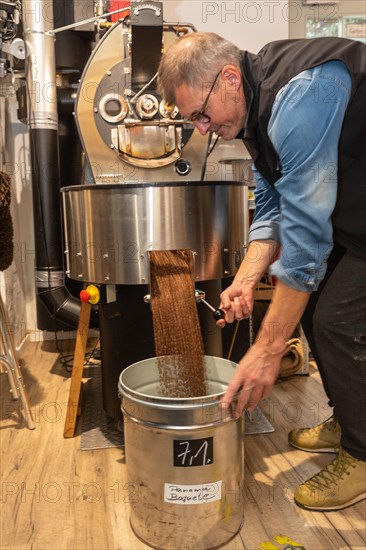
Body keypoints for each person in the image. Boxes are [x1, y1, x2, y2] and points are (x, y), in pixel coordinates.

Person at [157, 32, 366, 511]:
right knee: (313, 315)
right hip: (355, 214)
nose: (203, 129)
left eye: (201, 115)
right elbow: (272, 206)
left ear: (229, 78)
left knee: (337, 321)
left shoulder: (300, 94)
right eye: (193, 121)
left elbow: (307, 235)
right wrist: (245, 279)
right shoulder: (251, 109)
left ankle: (363, 452)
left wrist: (268, 349)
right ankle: (351, 417)